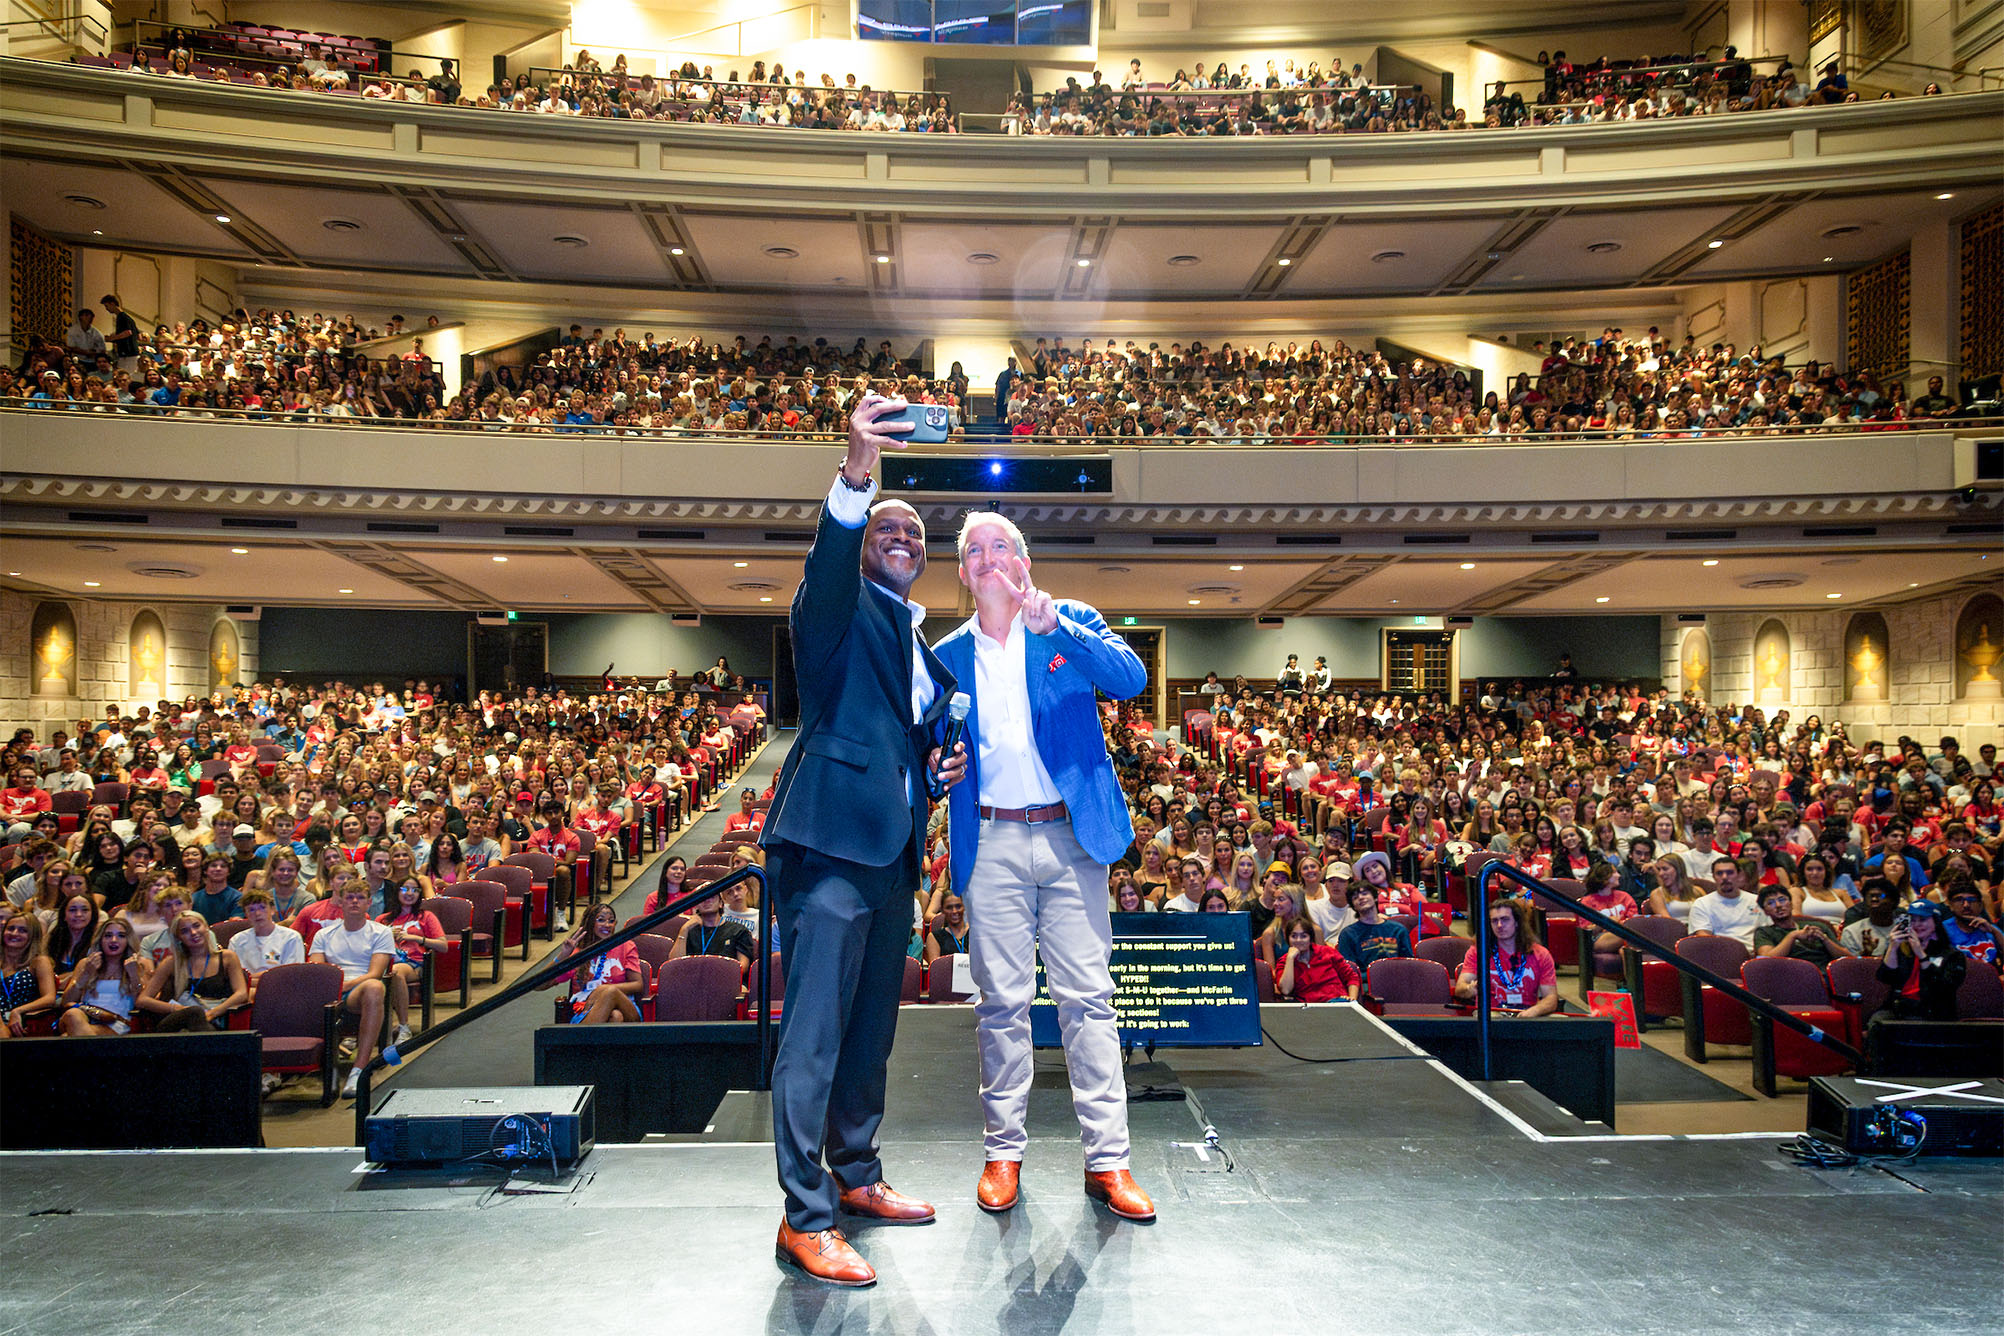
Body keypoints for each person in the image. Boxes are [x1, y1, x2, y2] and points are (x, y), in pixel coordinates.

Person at [759, 392, 963, 1288]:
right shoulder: (836, 613)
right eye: (891, 525)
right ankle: (803, 1217)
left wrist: (933, 770)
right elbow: (829, 562)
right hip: (831, 853)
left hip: (891, 857)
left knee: (870, 1032)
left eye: (918, 532)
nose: (906, 536)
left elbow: (901, 742)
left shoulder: (918, 640)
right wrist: (856, 477)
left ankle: (856, 1177)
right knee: (812, 1037)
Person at [931, 508, 1155, 1223]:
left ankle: (1108, 1163)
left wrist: (1057, 629)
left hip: (1068, 837)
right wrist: (941, 767)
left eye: (1002, 545)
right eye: (975, 550)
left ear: (1024, 561)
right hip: (991, 840)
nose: (989, 557)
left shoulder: (1070, 619)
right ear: (964, 573)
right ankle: (1003, 1154)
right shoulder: (947, 656)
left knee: (1088, 1001)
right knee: (1001, 1005)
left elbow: (1129, 679)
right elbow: (932, 754)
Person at [309, 882, 396, 1098]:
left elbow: (375, 973)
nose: (354, 901)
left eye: (359, 897)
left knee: (375, 987)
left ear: (368, 902)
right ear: (340, 901)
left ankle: (359, 1069)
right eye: (349, 897)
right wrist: (335, 986)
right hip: (329, 989)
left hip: (358, 988)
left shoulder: (381, 932)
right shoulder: (324, 934)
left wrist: (344, 985)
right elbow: (318, 969)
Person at [135, 911, 246, 1031]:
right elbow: (143, 1000)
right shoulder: (171, 963)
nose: (193, 933)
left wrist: (212, 1013)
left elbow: (241, 994)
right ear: (179, 938)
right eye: (184, 931)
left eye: (196, 926)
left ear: (206, 927)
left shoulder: (227, 957)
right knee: (194, 1012)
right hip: (175, 1025)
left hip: (212, 1020)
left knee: (200, 1020)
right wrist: (177, 1009)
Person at [1455, 898, 1559, 1017]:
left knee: (1560, 1020)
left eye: (1505, 920)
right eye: (1494, 921)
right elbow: (1460, 988)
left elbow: (1551, 998)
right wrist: (1469, 989)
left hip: (1528, 1013)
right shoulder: (1478, 951)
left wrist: (1533, 1012)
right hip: (1492, 1014)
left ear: (1517, 922)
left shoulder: (1541, 954)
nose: (1499, 925)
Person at [544, 902, 643, 1023]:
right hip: (586, 1011)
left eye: (611, 921)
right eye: (601, 920)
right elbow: (540, 985)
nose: (607, 925)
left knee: (610, 993)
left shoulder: (625, 946)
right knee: (616, 1017)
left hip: (626, 1007)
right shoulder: (579, 953)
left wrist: (603, 990)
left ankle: (579, 1040)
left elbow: (638, 984)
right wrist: (563, 955)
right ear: (590, 923)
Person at [1872, 899, 1966, 1023]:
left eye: (1922, 920)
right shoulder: (1901, 948)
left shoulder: (1952, 955)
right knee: (1877, 1023)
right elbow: (1886, 977)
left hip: (1932, 1011)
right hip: (1898, 1008)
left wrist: (1921, 954)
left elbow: (1943, 988)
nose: (1917, 925)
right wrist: (1892, 947)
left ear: (1935, 922)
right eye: (1913, 920)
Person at [57, 917, 148, 1036]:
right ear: (100, 939)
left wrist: (133, 975)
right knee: (73, 1014)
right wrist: (86, 973)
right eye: (108, 935)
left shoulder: (139, 964)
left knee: (67, 1037)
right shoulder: (86, 964)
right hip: (85, 1017)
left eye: (121, 935)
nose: (114, 940)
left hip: (118, 1024)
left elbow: (141, 1004)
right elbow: (67, 1002)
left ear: (128, 940)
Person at [1752, 885, 1852, 968]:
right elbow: (1766, 960)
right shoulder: (1764, 932)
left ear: (1791, 904)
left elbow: (1847, 958)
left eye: (1782, 900)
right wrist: (1793, 935)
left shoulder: (1819, 926)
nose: (1778, 905)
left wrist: (1824, 939)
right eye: (1771, 903)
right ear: (1765, 911)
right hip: (1790, 978)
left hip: (1825, 975)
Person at [1273, 914, 1359, 1002]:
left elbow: (1351, 978)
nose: (1298, 940)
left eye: (1304, 936)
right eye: (1294, 936)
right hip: (1309, 1008)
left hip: (1337, 1001)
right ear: (1287, 938)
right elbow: (1286, 990)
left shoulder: (1327, 952)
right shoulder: (1285, 961)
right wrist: (1290, 959)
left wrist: (1352, 1000)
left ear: (1310, 938)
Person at [0, 911, 57, 1037]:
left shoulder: (39, 961)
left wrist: (18, 1011)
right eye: (11, 928)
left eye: (22, 930)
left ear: (32, 936)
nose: (15, 933)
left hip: (24, 1019)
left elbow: (49, 998)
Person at [1335, 880, 1412, 972]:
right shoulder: (1347, 934)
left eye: (1364, 893)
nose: (1360, 898)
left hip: (1397, 977)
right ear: (1353, 906)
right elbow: (1350, 972)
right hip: (1365, 982)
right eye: (1355, 897)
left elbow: (1409, 964)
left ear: (1375, 897)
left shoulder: (1398, 929)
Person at [1688, 856, 1762, 947]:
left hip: (1756, 953)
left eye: (1730, 873)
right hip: (1720, 953)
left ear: (1739, 875)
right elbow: (1704, 939)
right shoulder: (1702, 904)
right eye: (1719, 873)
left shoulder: (1756, 901)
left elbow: (1768, 932)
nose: (1725, 877)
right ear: (1714, 877)